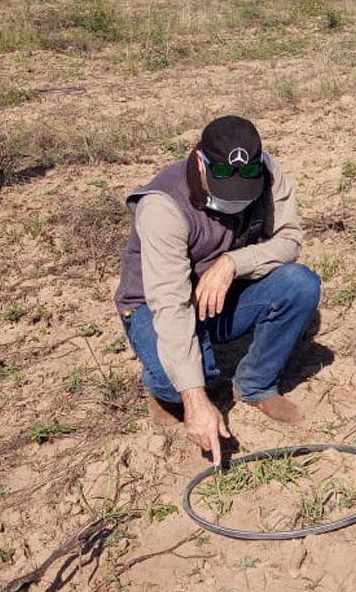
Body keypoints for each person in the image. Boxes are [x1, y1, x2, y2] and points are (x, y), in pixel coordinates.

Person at [115, 115, 321, 463]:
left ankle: (256, 385)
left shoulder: (268, 172)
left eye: (246, 188)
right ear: (200, 161)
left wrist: (232, 263)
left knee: (299, 284)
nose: (236, 200)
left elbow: (290, 240)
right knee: (182, 378)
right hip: (155, 307)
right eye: (225, 185)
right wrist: (194, 399)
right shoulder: (162, 207)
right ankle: (161, 390)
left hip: (221, 296)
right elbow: (171, 307)